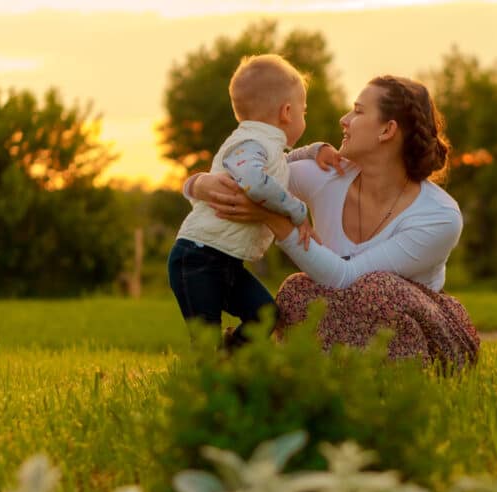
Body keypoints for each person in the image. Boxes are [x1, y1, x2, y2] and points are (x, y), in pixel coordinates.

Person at [187, 75, 480, 367]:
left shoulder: (439, 216)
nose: (344, 119)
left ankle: (394, 385)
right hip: (346, 331)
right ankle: (312, 377)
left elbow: (346, 278)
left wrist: (273, 218)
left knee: (376, 287)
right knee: (297, 292)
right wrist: (198, 184)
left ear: (387, 130)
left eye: (358, 111)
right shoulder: (328, 176)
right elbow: (248, 173)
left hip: (431, 344)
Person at [167, 54, 340, 348]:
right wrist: (298, 212)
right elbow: (256, 183)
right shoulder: (250, 144)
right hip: (198, 258)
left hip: (225, 261)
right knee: (205, 340)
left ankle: (232, 358)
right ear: (287, 112)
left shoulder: (264, 145)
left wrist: (314, 150)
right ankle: (213, 380)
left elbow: (281, 163)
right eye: (304, 112)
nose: (304, 118)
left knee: (265, 316)